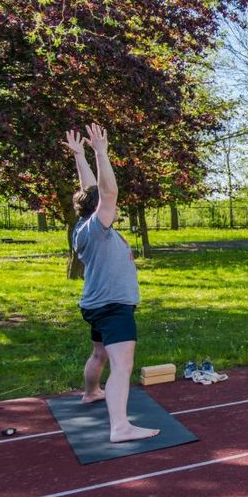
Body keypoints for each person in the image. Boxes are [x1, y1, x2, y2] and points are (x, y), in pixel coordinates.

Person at [63, 124, 159, 442]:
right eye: (108, 206)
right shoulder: (97, 227)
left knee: (99, 355)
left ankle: (91, 392)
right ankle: (120, 426)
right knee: (122, 364)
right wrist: (101, 152)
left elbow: (92, 190)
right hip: (112, 307)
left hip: (94, 304)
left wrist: (80, 156)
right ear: (99, 209)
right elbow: (107, 192)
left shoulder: (85, 225)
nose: (115, 208)